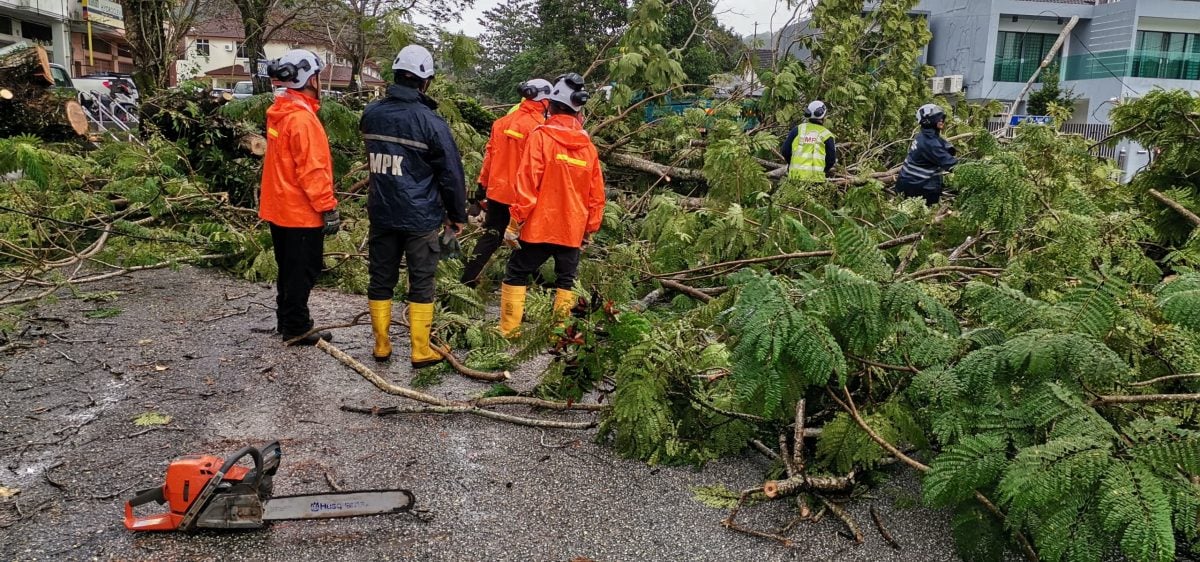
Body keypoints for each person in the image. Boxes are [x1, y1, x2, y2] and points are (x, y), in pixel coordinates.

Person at [361, 44, 467, 367]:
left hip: (382, 212)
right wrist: (457, 216)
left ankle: (381, 345)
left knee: (381, 278)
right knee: (421, 281)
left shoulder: (371, 115)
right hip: (420, 218)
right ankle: (420, 350)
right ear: (425, 82)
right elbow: (451, 174)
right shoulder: (431, 122)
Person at [497, 73, 606, 337]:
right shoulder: (588, 148)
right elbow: (596, 194)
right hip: (572, 229)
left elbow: (527, 184)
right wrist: (590, 228)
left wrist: (514, 222)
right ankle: (560, 334)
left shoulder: (540, 138)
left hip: (539, 226)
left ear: (552, 106)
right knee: (566, 280)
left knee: (516, 272)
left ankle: (509, 332)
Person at [259, 49, 339, 345]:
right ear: (309, 78)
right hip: (300, 211)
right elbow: (313, 170)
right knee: (303, 270)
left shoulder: (281, 112)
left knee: (288, 267)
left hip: (279, 206)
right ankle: (297, 326)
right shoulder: (302, 121)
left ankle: (287, 319)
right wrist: (328, 207)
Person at [460, 78, 553, 288]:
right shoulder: (541, 129)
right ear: (544, 100)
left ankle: (465, 282)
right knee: (530, 242)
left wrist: (481, 186)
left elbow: (489, 157)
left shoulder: (501, 123)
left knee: (491, 236)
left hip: (497, 192)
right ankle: (536, 287)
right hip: (524, 196)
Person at [895, 103, 959, 206]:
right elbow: (952, 165)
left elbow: (939, 143)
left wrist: (948, 148)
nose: (942, 120)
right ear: (928, 121)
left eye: (942, 118)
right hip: (919, 189)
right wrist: (976, 168)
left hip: (907, 183)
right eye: (938, 118)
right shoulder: (930, 143)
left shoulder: (923, 136)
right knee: (925, 217)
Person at [780, 100, 836, 181]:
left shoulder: (797, 130)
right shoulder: (827, 135)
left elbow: (785, 151)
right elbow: (831, 160)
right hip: (816, 180)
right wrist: (823, 171)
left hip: (795, 178)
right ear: (824, 115)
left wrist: (791, 164)